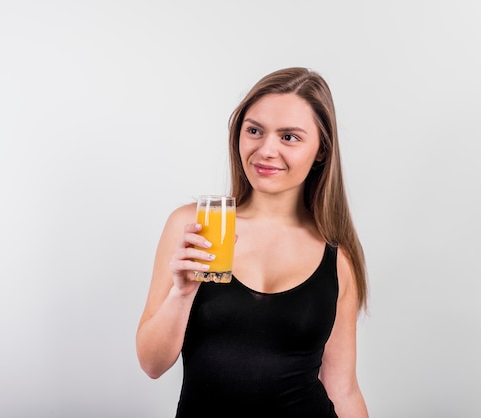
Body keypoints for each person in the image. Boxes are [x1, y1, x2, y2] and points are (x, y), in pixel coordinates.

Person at [136, 67, 369, 417]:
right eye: (255, 131)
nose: (266, 150)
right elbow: (152, 364)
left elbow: (344, 390)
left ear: (321, 150)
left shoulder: (336, 258)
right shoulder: (194, 227)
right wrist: (181, 294)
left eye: (289, 137)